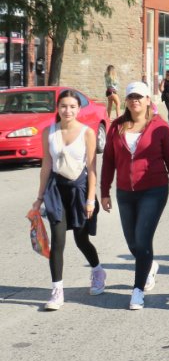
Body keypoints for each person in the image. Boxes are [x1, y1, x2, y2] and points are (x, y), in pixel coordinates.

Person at [100, 81, 169, 311]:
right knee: (133, 241)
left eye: (139, 97)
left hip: (154, 190)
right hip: (125, 191)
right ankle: (149, 265)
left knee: (143, 238)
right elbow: (108, 161)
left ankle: (137, 291)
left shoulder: (160, 128)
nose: (135, 100)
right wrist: (104, 191)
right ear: (126, 101)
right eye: (131, 97)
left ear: (148, 100)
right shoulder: (117, 127)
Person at [33, 90, 106, 310]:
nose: (68, 110)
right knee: (57, 241)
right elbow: (46, 166)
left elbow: (92, 168)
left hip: (80, 191)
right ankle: (57, 291)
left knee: (81, 240)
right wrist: (39, 198)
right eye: (64, 106)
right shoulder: (49, 132)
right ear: (58, 108)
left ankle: (98, 270)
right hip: (56, 191)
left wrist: (91, 199)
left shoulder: (87, 133)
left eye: (72, 106)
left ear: (78, 108)